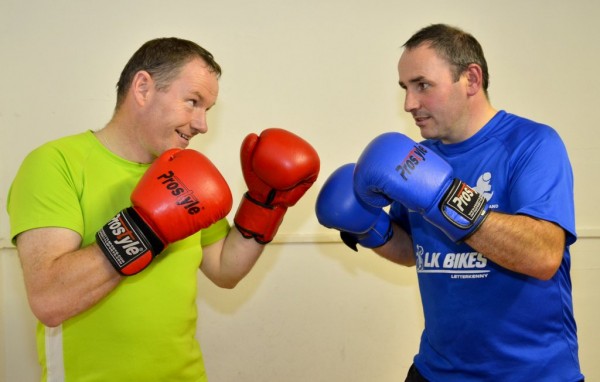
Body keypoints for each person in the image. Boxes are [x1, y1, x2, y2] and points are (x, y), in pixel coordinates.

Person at [7, 37, 320, 381]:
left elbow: (225, 270)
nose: (202, 124)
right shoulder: (55, 164)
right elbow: (50, 300)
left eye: (207, 110)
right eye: (193, 102)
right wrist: (147, 227)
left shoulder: (185, 174)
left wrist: (265, 204)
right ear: (143, 88)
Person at [316, 24, 583, 381]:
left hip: (529, 372)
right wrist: (369, 227)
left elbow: (543, 256)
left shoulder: (532, 144)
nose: (409, 104)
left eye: (422, 85)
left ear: (471, 79)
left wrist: (442, 196)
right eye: (405, 89)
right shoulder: (417, 158)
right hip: (436, 369)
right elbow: (413, 250)